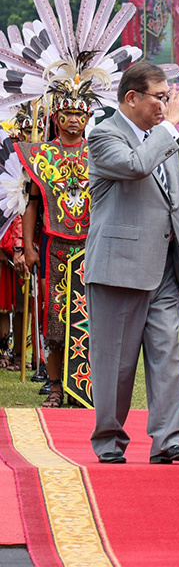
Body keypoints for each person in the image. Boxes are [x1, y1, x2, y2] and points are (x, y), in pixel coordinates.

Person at [87, 61, 179, 465]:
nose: (165, 105)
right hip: (119, 265)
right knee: (115, 360)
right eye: (160, 97)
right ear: (131, 98)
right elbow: (134, 167)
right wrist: (170, 129)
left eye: (168, 98)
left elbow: (171, 199)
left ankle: (169, 438)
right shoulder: (103, 136)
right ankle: (110, 441)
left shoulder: (159, 137)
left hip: (165, 265)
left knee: (166, 353)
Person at [17, 96, 93, 408]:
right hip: (54, 246)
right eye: (68, 114)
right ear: (57, 116)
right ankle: (55, 387)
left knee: (91, 319)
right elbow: (31, 202)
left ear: (88, 118)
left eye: (79, 114)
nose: (74, 120)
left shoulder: (99, 151)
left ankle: (84, 386)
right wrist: (28, 246)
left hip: (93, 246)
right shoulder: (43, 155)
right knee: (55, 318)